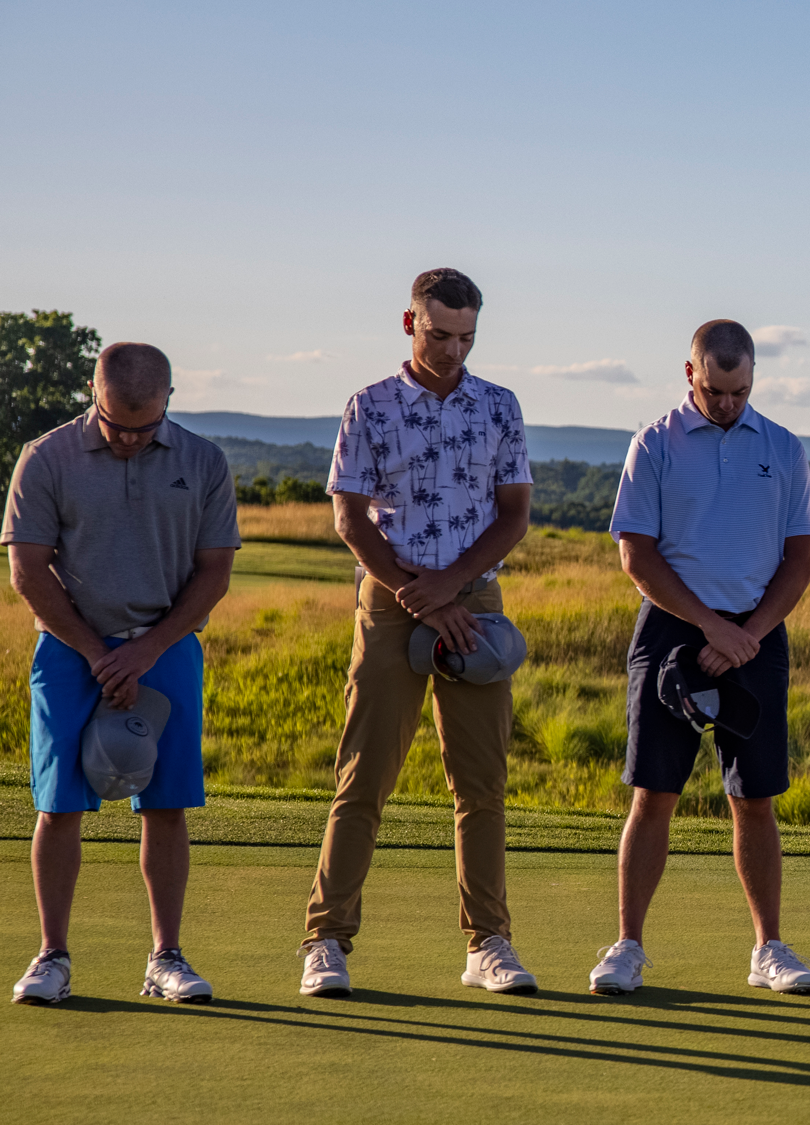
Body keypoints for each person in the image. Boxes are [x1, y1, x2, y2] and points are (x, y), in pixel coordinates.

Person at [296, 270, 534, 998]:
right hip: (394, 598)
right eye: (439, 335)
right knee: (364, 774)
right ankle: (326, 941)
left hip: (474, 600)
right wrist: (421, 596)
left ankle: (488, 942)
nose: (453, 350)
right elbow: (349, 518)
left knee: (481, 782)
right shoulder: (369, 405)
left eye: (466, 337)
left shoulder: (499, 405)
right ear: (410, 323)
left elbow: (514, 512)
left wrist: (453, 585)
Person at [592, 321, 810, 996]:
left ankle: (769, 949)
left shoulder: (782, 447)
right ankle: (628, 946)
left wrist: (746, 632)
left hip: (757, 635)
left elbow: (801, 557)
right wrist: (709, 628)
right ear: (690, 373)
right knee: (653, 794)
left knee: (755, 799)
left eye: (741, 390)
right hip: (672, 634)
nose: (728, 403)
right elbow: (637, 554)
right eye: (716, 390)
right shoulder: (655, 443)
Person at [6, 344, 239, 1007]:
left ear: (171, 395)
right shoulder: (46, 457)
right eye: (115, 423)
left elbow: (214, 571)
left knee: (165, 804)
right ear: (93, 392)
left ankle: (166, 956)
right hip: (67, 648)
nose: (130, 438)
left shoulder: (204, 461)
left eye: (144, 425)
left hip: (166, 646)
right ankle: (52, 955)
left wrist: (146, 650)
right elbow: (27, 569)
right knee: (58, 805)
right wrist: (93, 650)